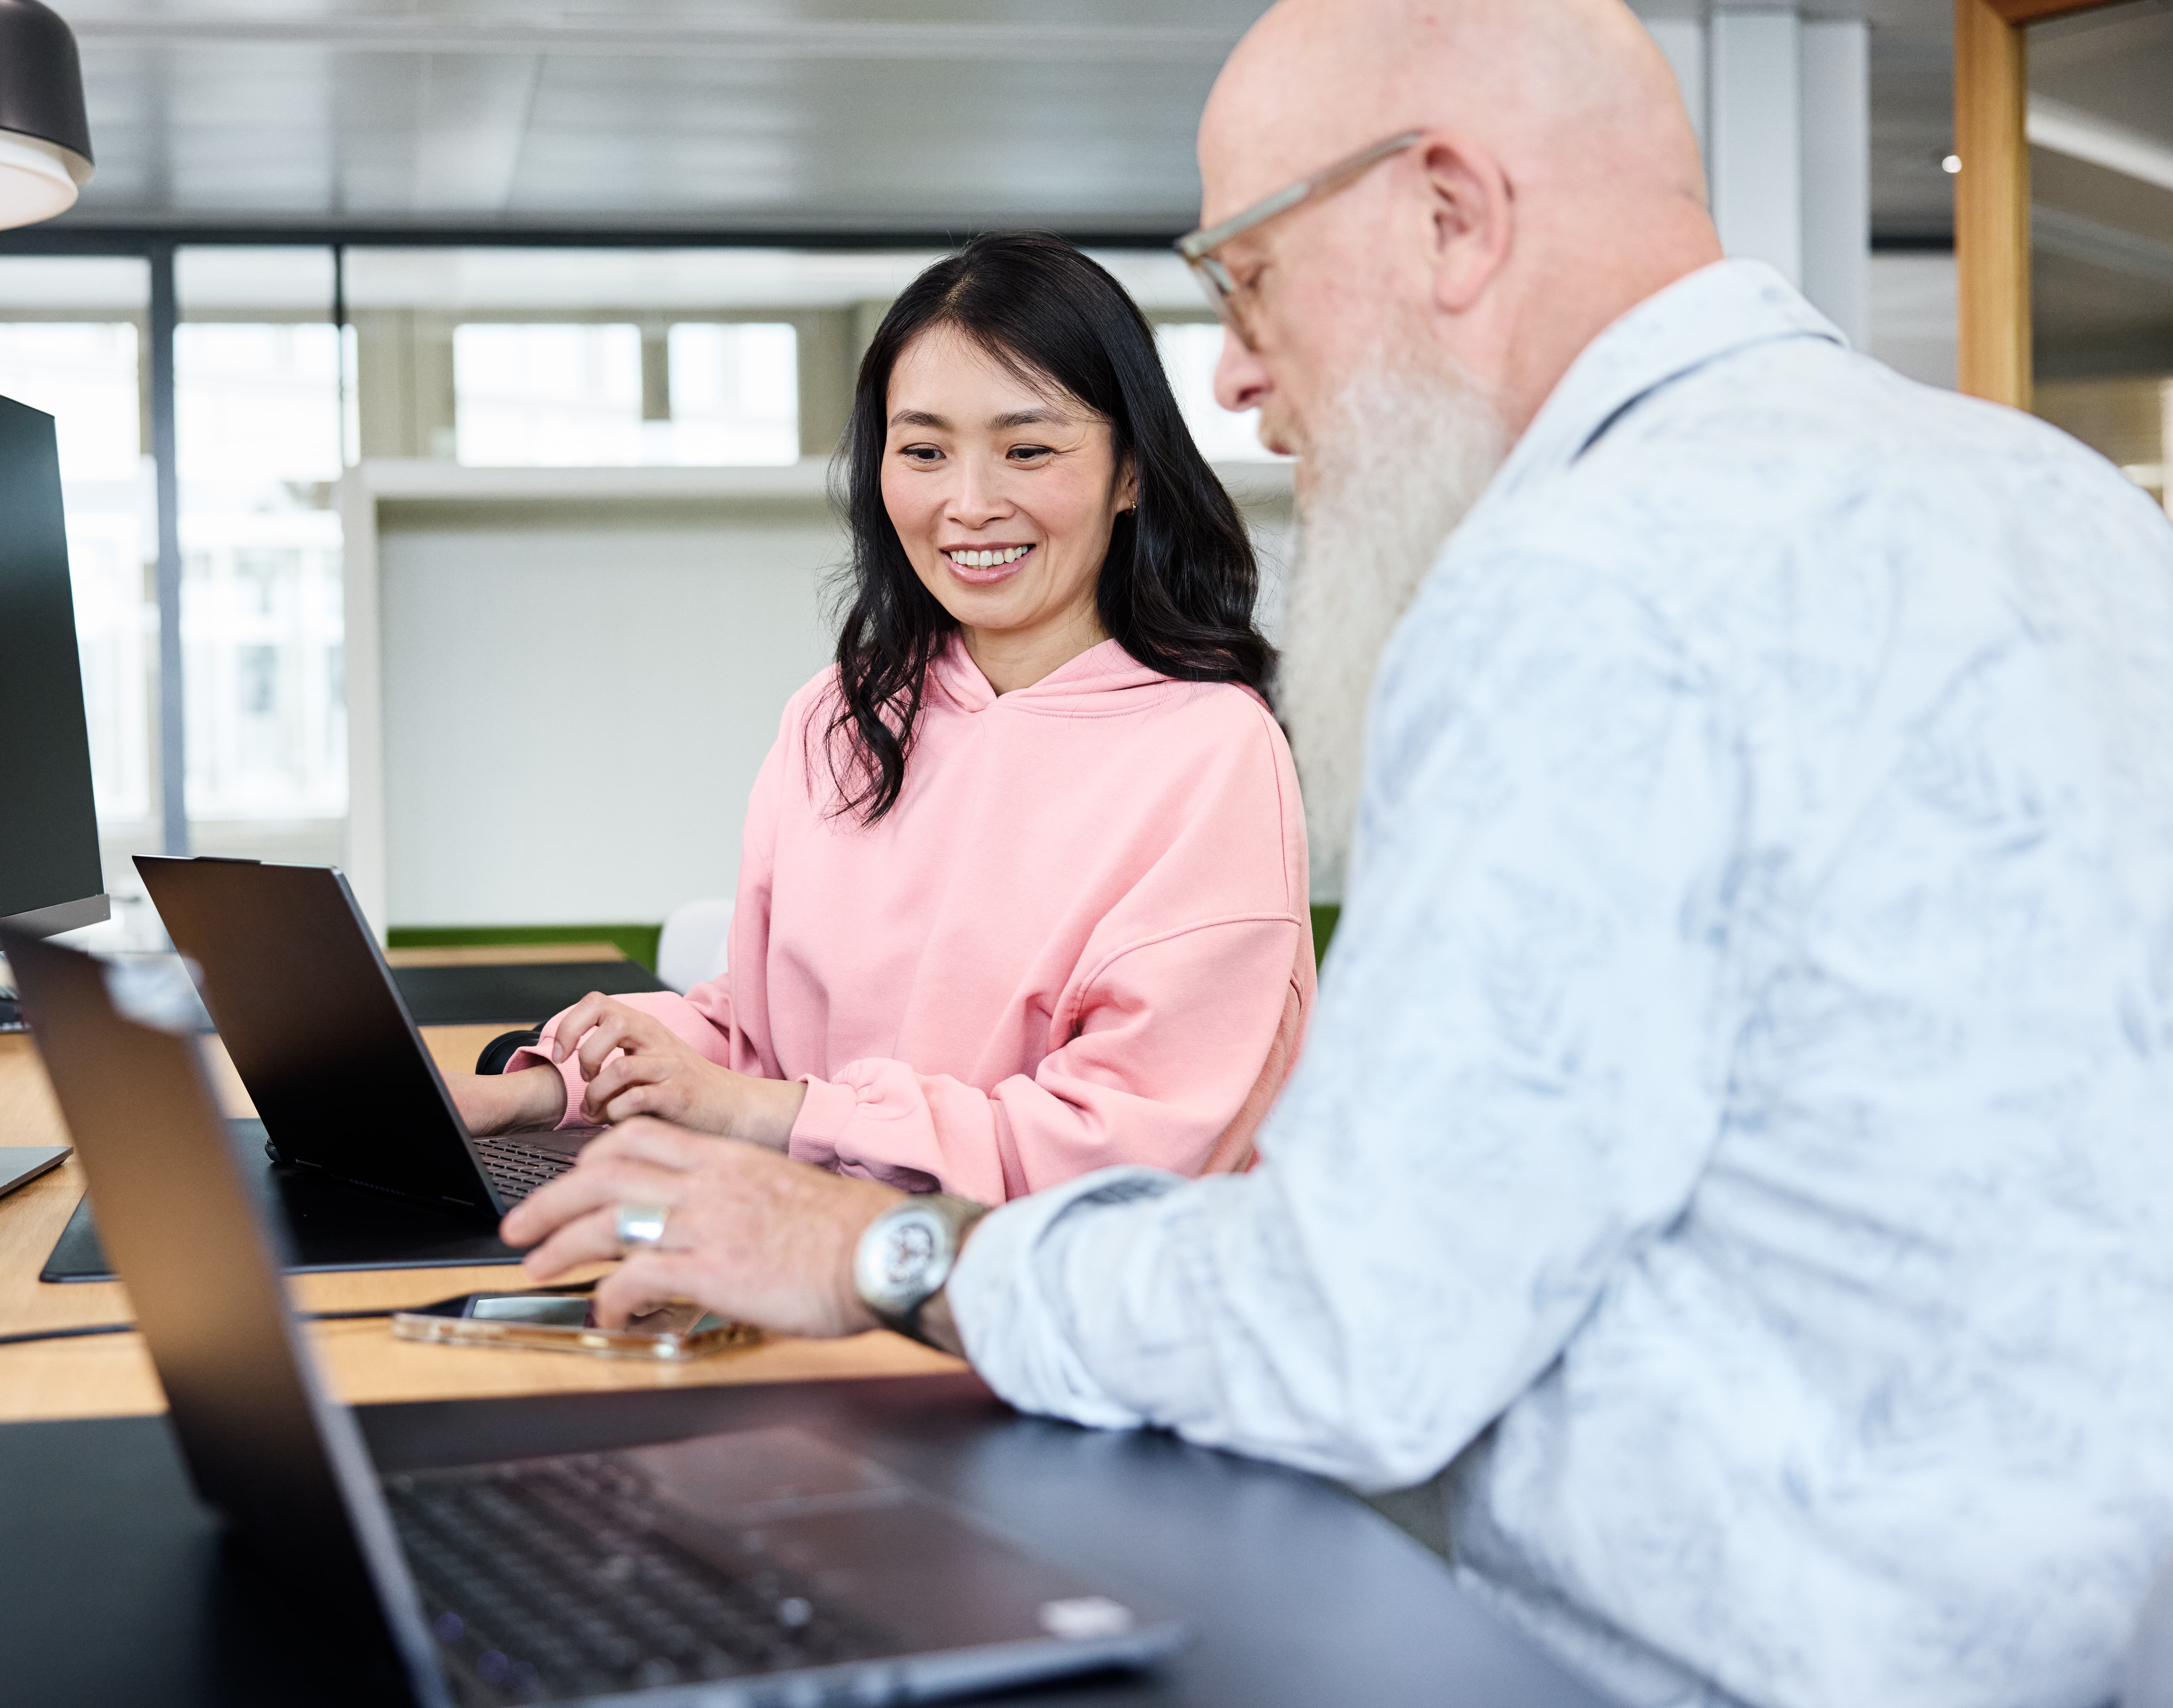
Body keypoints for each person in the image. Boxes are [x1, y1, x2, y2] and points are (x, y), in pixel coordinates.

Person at [498, 2, 2173, 1705]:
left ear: (1449, 213)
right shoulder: (2069, 505)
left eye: (1255, 278)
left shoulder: (1584, 587)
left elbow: (1352, 1324)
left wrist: (877, 1247)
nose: (1234, 368)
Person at [449, 233, 1316, 1206]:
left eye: (1028, 450)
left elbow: (1124, 1148)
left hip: (1018, 1311)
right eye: (924, 452)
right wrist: (533, 1094)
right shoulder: (841, 714)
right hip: (789, 1258)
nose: (969, 504)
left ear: (1131, 474)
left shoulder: (1213, 751)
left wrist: (764, 1112)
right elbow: (758, 1040)